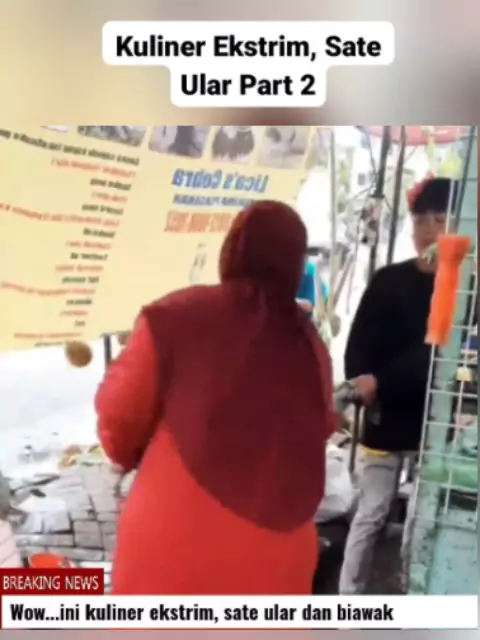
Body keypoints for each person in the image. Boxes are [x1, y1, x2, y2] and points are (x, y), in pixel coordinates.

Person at [96, 200, 337, 595]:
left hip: (173, 535)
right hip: (279, 550)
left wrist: (135, 454)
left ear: (232, 249)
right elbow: (322, 427)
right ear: (296, 265)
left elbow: (119, 418)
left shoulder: (174, 316)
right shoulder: (311, 348)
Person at [338, 176, 459, 595]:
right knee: (371, 512)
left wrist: (381, 380)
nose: (429, 229)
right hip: (384, 417)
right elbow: (357, 348)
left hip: (434, 424)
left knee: (421, 519)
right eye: (421, 220)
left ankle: (410, 594)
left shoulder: (464, 290)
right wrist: (362, 382)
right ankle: (347, 603)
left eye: (440, 219)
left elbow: (439, 355)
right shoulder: (388, 280)